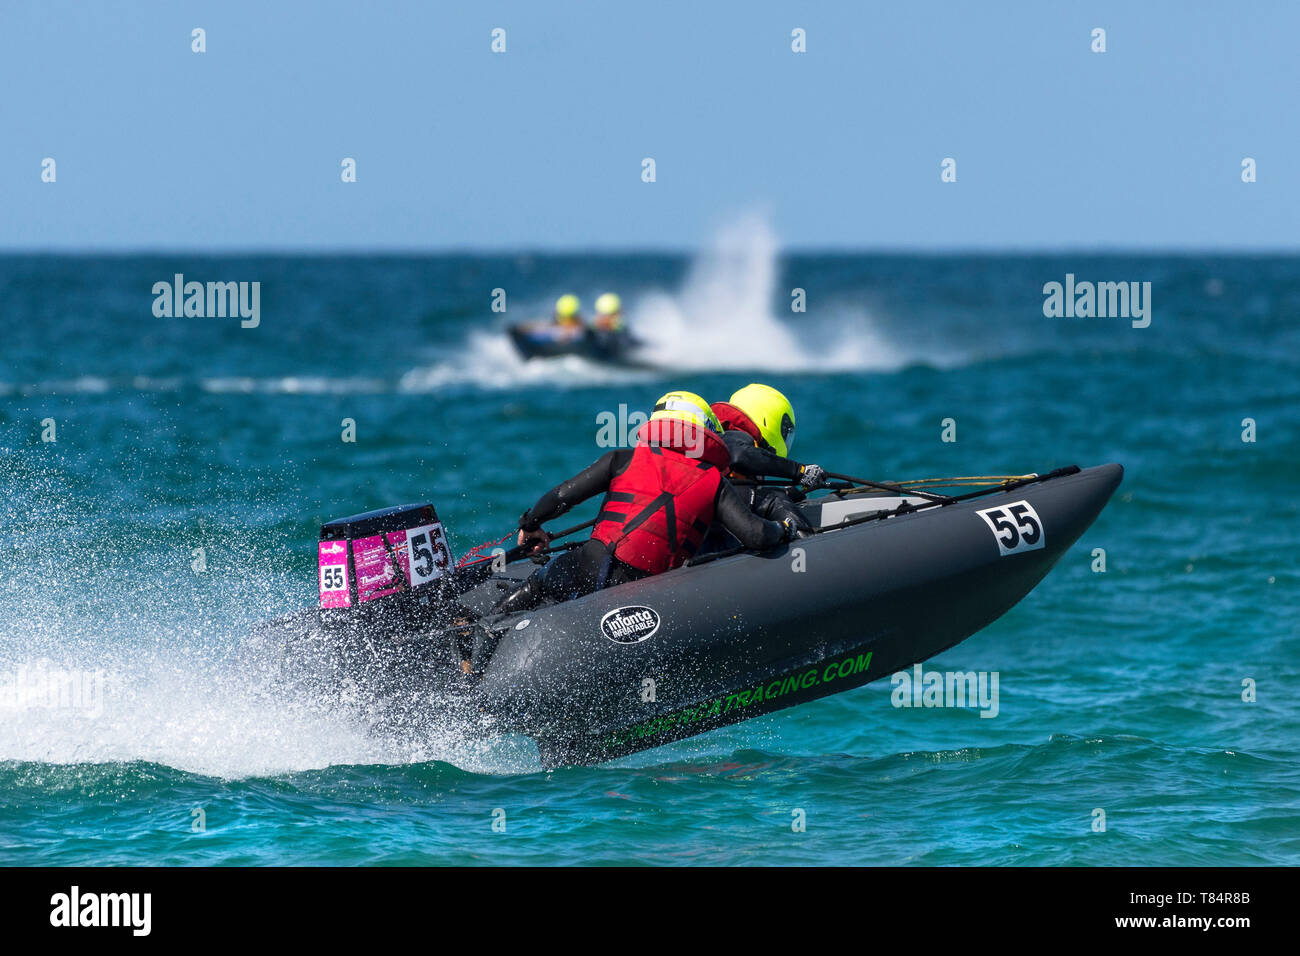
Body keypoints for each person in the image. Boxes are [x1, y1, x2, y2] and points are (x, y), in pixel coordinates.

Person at [493, 390, 797, 614]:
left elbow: (560, 497)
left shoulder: (622, 459)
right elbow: (756, 535)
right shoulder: (715, 481)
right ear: (705, 430)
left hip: (589, 563)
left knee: (538, 585)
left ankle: (478, 643)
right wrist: (783, 528)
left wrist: (531, 524)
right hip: (643, 593)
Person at [710, 383, 826, 539]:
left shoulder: (722, 437)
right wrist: (800, 472)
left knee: (777, 494)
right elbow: (740, 456)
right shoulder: (733, 436)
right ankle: (809, 548)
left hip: (715, 520)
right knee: (774, 498)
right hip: (715, 515)